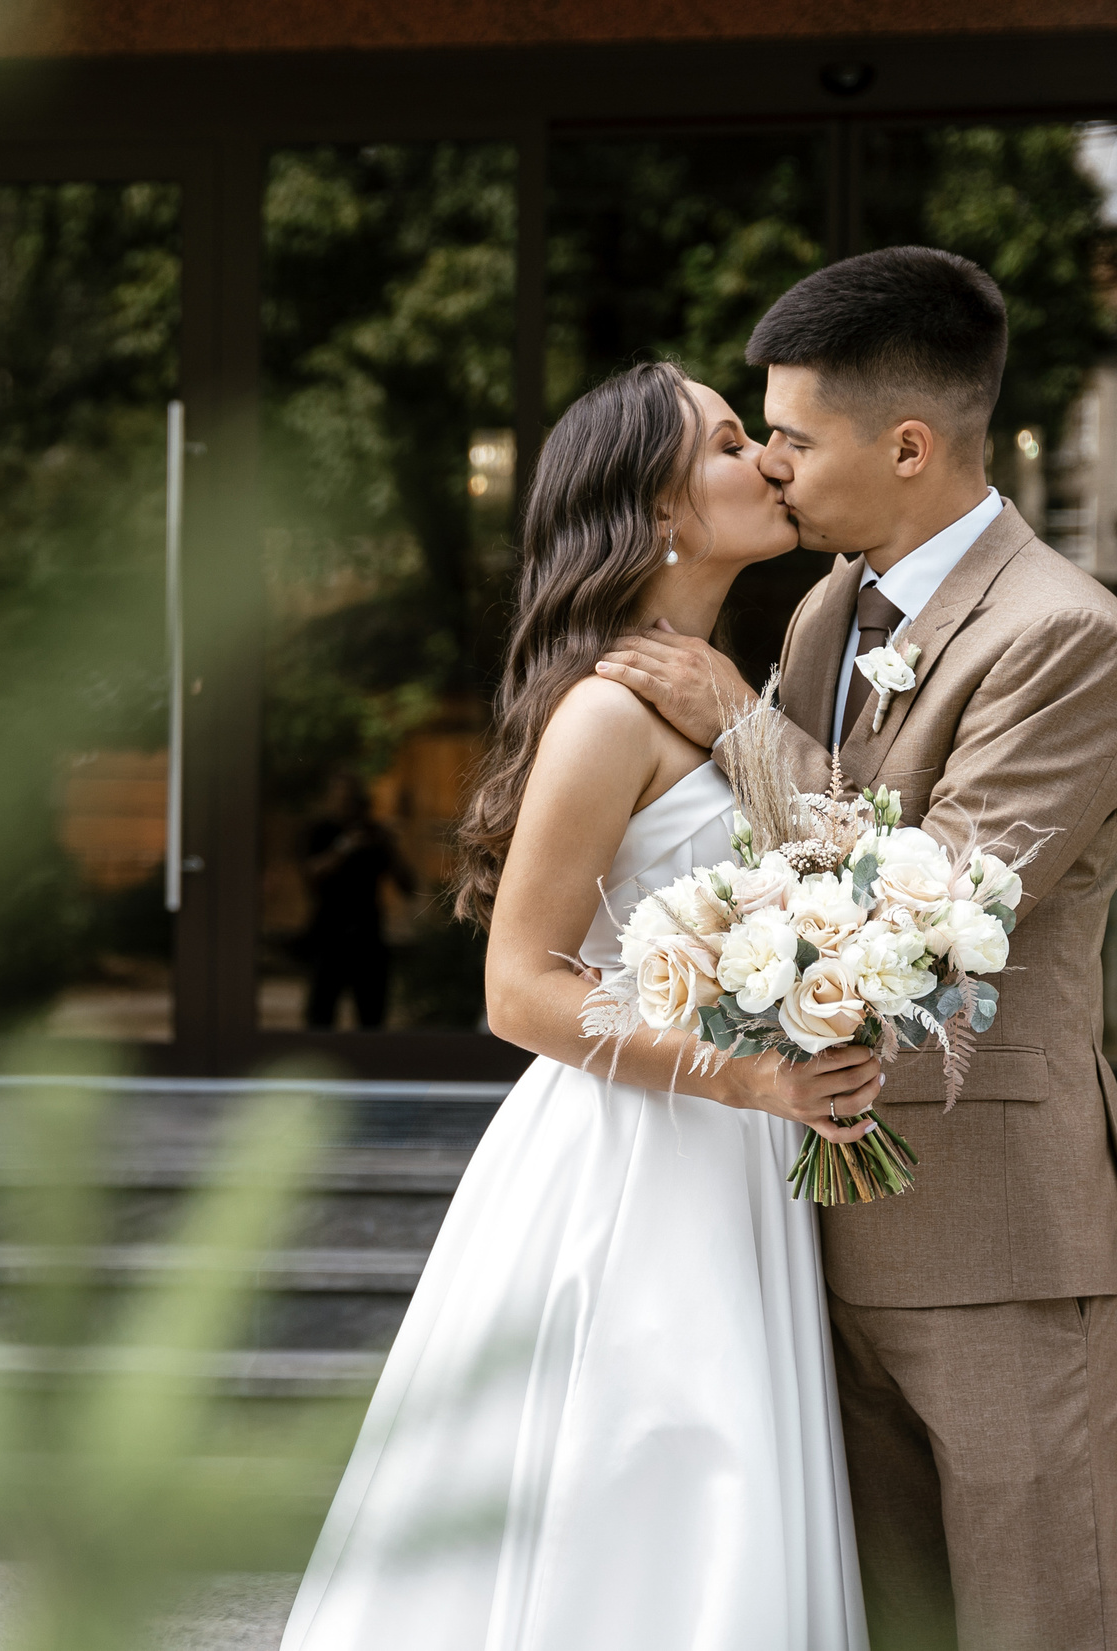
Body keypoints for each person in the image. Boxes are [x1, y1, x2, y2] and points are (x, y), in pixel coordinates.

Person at [595, 247, 1117, 1651]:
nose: (770, 464)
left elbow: (940, 896)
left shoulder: (1064, 637)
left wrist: (741, 722)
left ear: (907, 445)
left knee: (1040, 1616)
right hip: (807, 1220)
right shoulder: (827, 610)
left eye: (790, 434)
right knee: (889, 1614)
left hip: (995, 1220)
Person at [281, 357, 880, 1651]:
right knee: (658, 1471)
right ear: (661, 506)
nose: (769, 459)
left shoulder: (732, 689)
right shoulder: (608, 711)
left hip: (735, 1149)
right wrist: (753, 1078)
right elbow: (516, 985)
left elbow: (835, 877)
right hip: (639, 1158)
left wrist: (745, 728)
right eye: (732, 442)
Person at [299, 773, 417, 1030]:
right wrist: (343, 848)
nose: (347, 806)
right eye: (341, 799)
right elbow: (310, 876)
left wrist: (389, 847)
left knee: (372, 1015)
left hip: (367, 933)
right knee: (320, 1013)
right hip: (328, 931)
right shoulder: (322, 830)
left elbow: (408, 886)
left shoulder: (374, 834)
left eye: (353, 800)